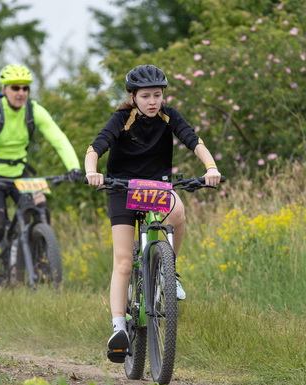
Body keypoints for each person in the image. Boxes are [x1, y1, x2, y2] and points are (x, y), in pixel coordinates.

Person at [85, 64, 221, 359]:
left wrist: (211, 168)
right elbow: (96, 147)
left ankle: (169, 273)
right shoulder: (122, 118)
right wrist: (92, 172)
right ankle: (119, 327)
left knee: (178, 212)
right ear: (133, 96)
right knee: (123, 262)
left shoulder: (169, 116)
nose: (152, 101)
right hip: (121, 188)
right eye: (145, 96)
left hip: (156, 188)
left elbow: (194, 141)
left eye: (157, 95)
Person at [0, 64, 83, 289]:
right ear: (4, 90)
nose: (21, 93)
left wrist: (74, 167)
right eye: (15, 88)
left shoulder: (34, 110)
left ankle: (42, 261)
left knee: (41, 207)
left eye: (25, 88)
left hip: (20, 175)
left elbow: (58, 138)